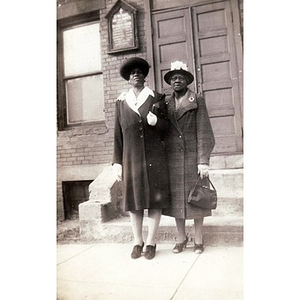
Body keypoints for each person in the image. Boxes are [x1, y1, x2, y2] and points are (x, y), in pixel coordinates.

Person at [112, 57, 170, 260]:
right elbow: (118, 135)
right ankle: (138, 241)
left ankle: (152, 242)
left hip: (155, 158)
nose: (136, 74)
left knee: (155, 201)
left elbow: (167, 130)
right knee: (134, 202)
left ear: (145, 76)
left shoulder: (157, 98)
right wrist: (117, 162)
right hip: (131, 159)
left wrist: (157, 122)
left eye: (140, 72)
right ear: (128, 78)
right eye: (132, 72)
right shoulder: (121, 103)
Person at [162, 61, 215, 254]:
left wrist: (203, 160)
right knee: (177, 201)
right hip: (173, 160)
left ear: (186, 81)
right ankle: (181, 238)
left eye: (180, 77)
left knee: (198, 199)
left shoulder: (197, 99)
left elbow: (204, 130)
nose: (177, 81)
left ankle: (199, 239)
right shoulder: (166, 103)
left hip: (194, 158)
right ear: (170, 82)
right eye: (173, 78)